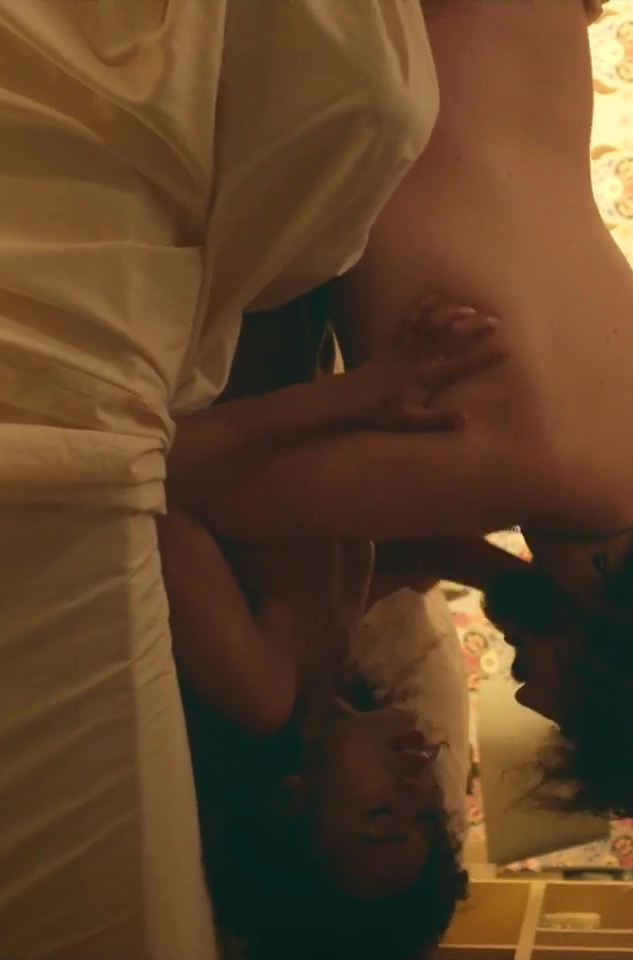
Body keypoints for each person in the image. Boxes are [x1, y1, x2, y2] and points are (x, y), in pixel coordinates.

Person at [165, 0, 633, 819]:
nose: (528, 698)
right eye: (567, 712)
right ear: (603, 667)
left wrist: (510, 577)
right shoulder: (500, 471)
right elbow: (189, 483)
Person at [159, 296, 486, 959]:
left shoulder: (259, 692)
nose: (418, 787)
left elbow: (154, 481)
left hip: (219, 317)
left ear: (293, 802)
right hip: (296, 318)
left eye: (381, 817)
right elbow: (389, 555)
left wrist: (357, 395)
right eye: (426, 817)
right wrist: (530, 590)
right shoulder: (328, 675)